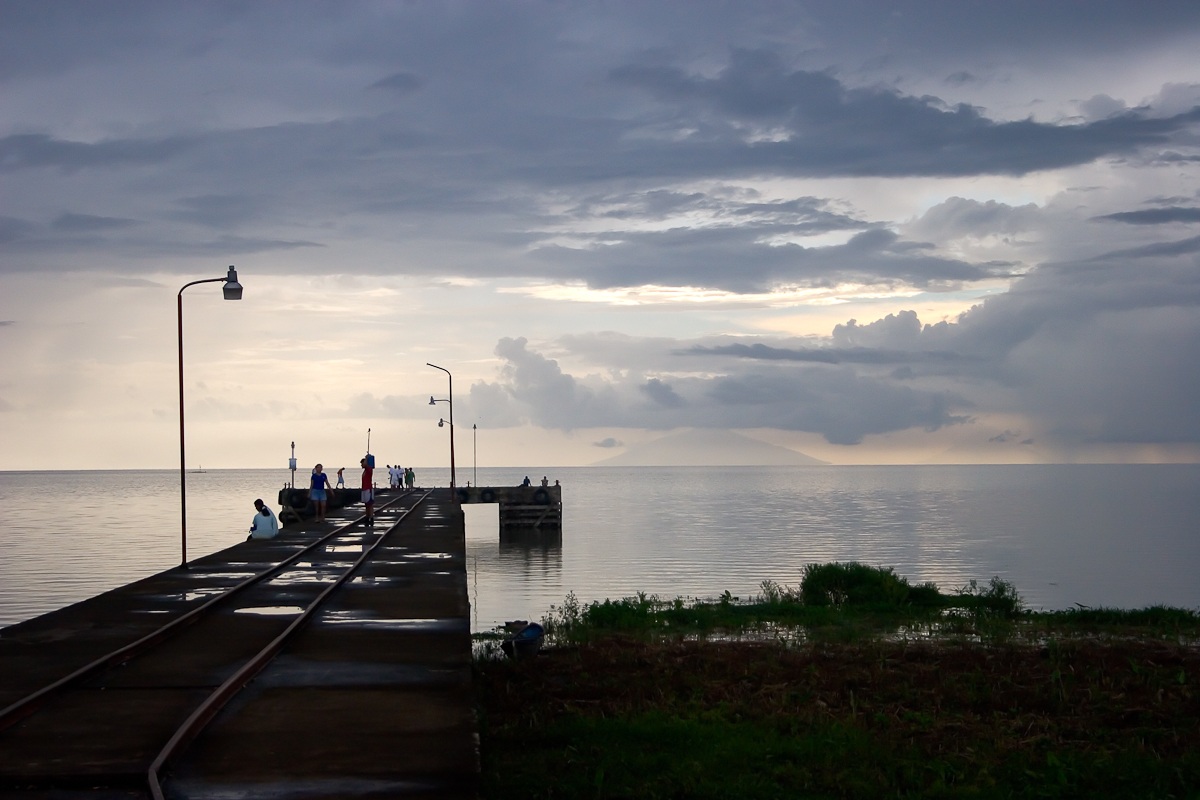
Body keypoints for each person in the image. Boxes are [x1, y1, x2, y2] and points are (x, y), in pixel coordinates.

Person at [361, 457, 375, 525]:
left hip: (368, 489)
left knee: (370, 504)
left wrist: (367, 458)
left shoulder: (369, 469)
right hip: (364, 489)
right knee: (366, 504)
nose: (361, 465)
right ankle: (367, 517)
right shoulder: (365, 471)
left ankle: (371, 517)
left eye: (362, 463)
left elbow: (366, 465)